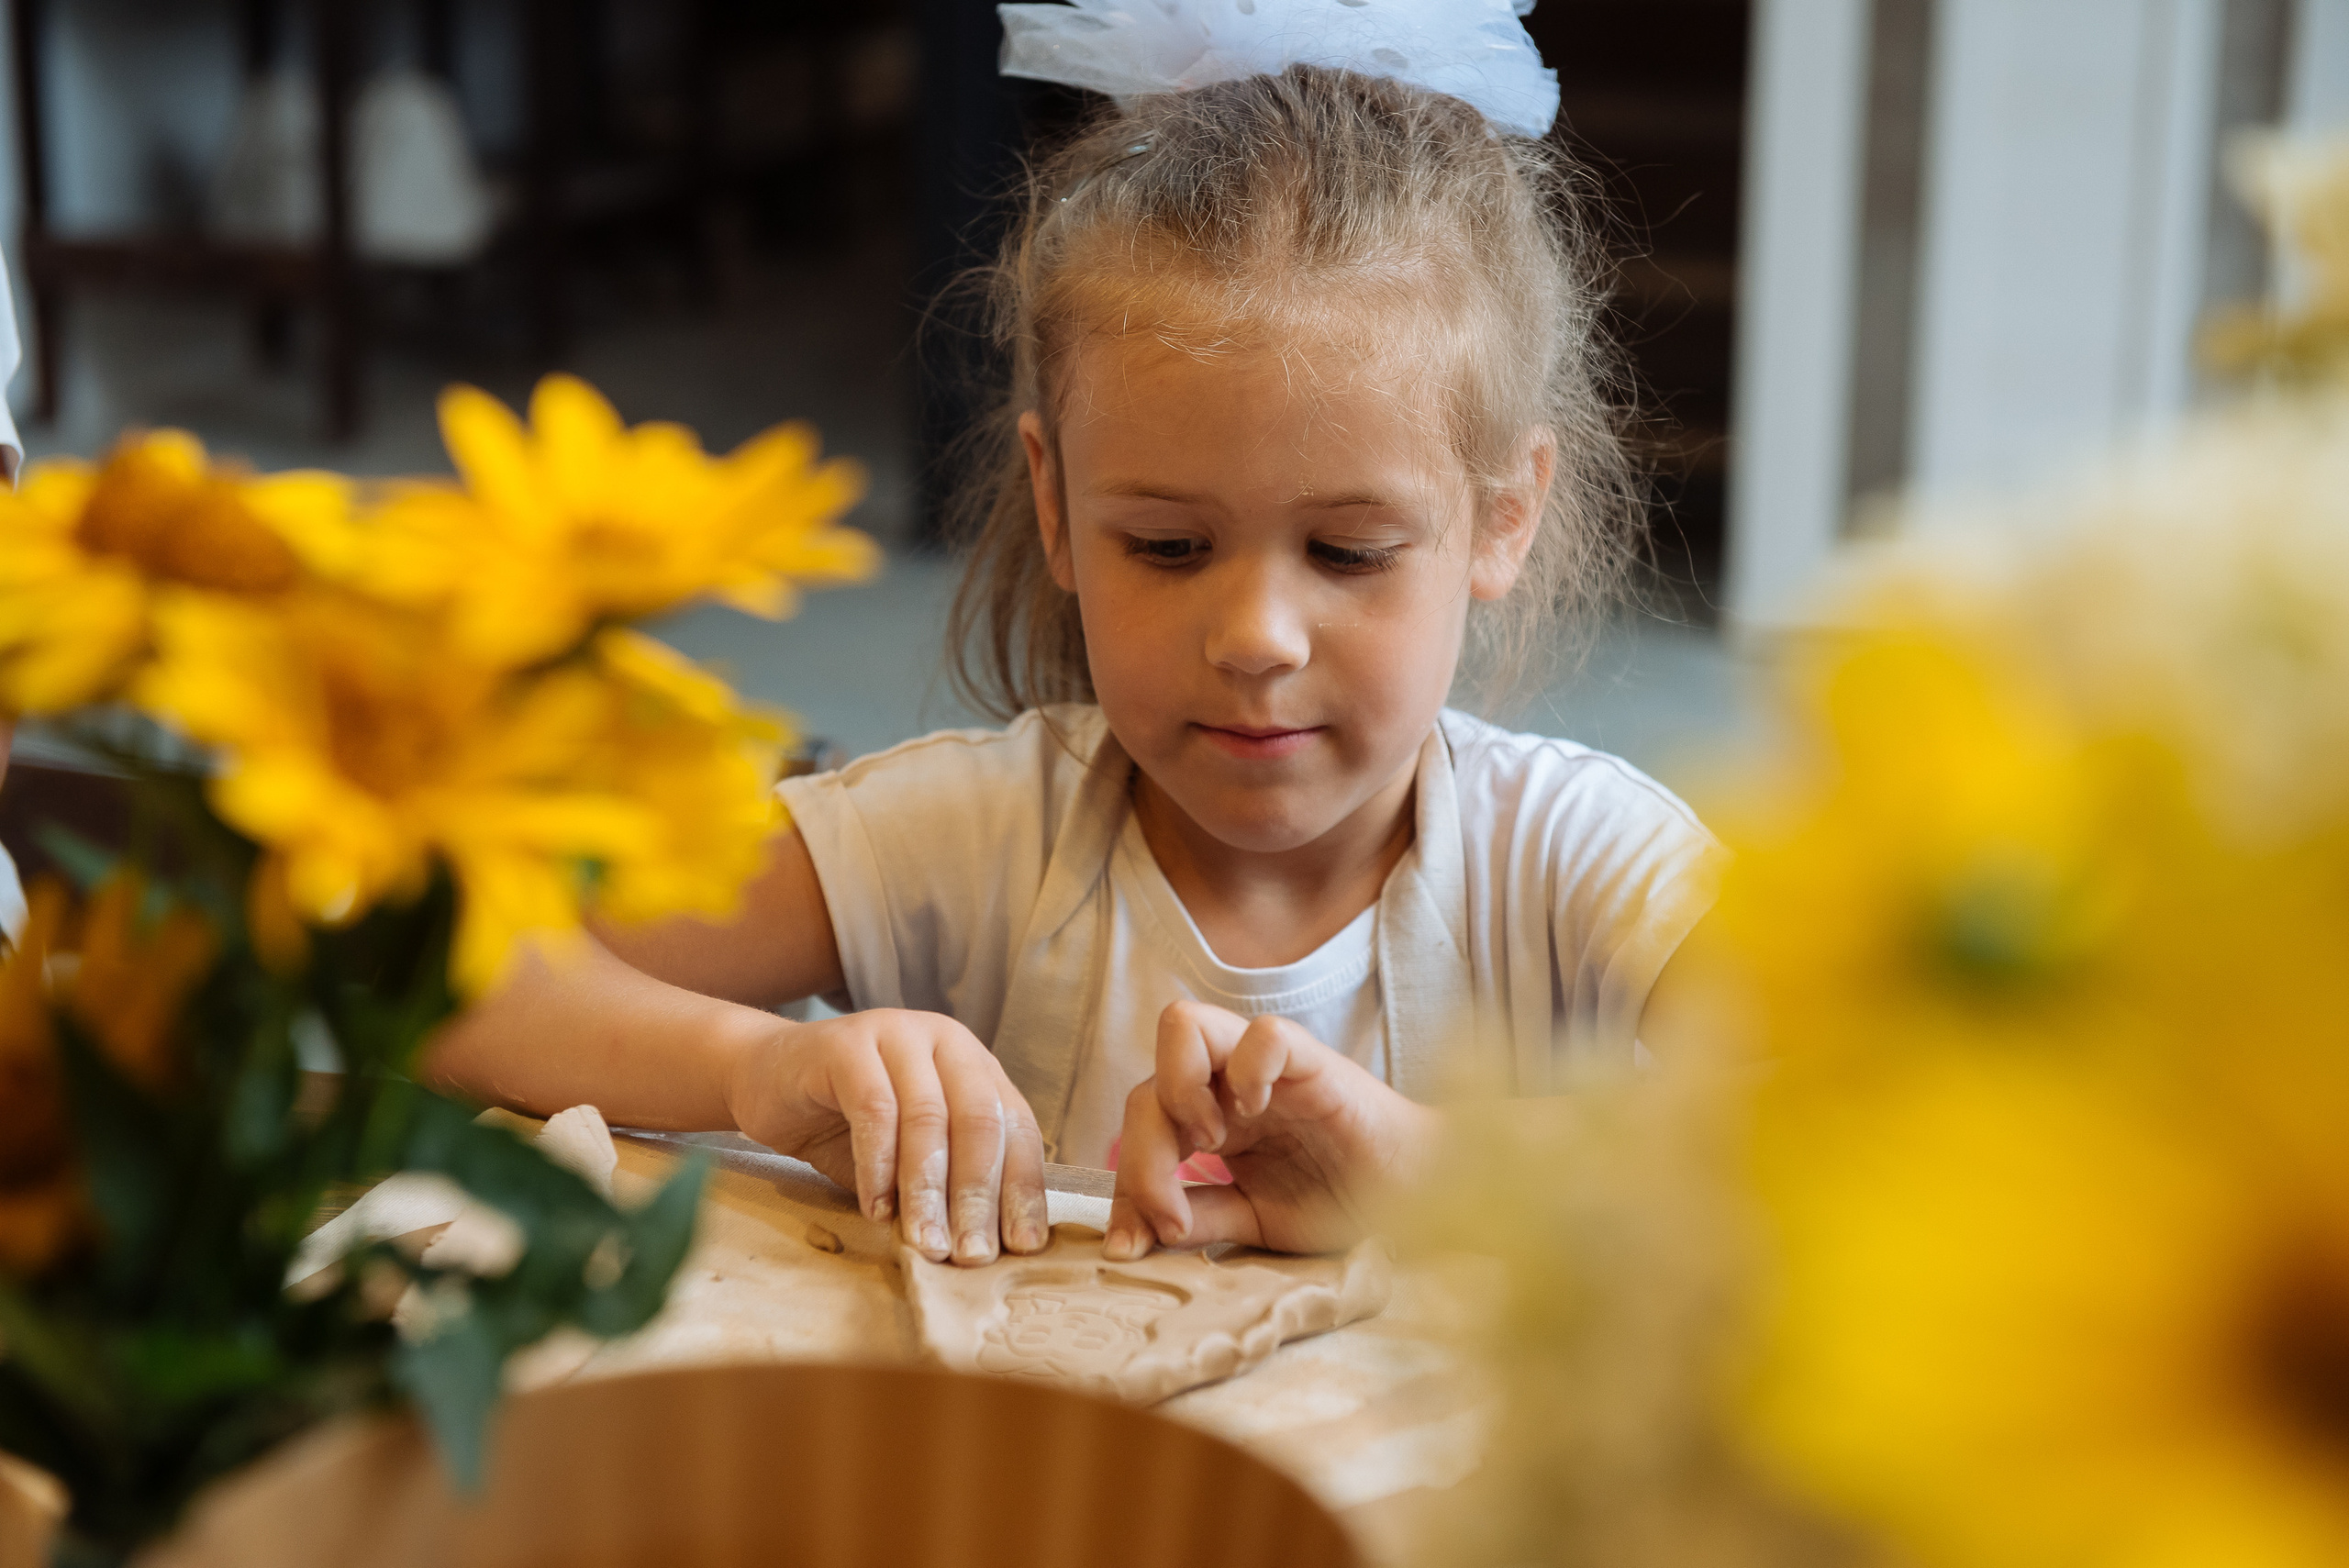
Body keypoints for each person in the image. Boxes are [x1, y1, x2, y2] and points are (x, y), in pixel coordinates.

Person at [426, 0, 1721, 1269]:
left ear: (1503, 518)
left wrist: (1422, 1166)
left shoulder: (1571, 859)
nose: (1259, 637)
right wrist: (757, 1063)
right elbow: (446, 972)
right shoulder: (981, 839)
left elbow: (1871, 1110)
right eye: (1167, 545)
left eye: (1346, 552)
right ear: (1055, 502)